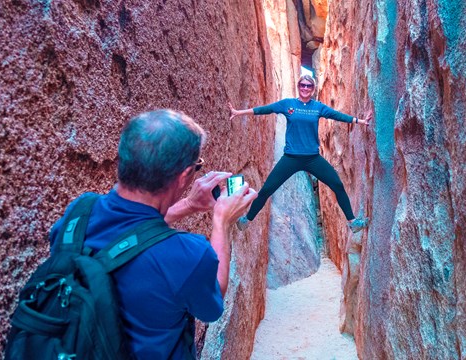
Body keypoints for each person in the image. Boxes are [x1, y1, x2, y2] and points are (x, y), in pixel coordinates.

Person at [49, 109, 257, 359]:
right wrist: (222, 222)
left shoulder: (78, 214)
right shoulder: (187, 255)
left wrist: (188, 205)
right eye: (196, 167)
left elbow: (128, 236)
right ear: (183, 177)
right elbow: (212, 304)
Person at [228, 74, 370, 233]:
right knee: (267, 189)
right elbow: (264, 109)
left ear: (313, 89)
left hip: (312, 158)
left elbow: (337, 115)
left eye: (309, 86)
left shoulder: (318, 107)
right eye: (302, 85)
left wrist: (359, 121)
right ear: (298, 86)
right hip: (291, 158)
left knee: (337, 184)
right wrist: (239, 113)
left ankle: (353, 223)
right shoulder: (288, 104)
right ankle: (246, 220)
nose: (305, 88)